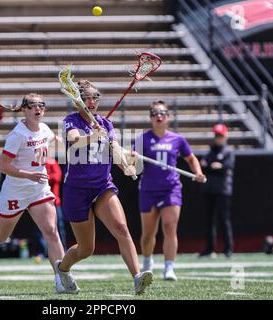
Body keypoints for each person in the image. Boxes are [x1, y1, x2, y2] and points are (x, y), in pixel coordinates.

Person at [56, 79, 153, 295]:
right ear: (78, 102)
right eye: (87, 98)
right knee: (85, 249)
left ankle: (137, 277)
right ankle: (62, 269)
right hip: (77, 190)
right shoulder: (71, 121)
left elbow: (115, 151)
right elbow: (74, 140)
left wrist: (128, 164)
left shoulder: (106, 124)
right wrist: (93, 135)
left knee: (121, 228)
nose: (92, 101)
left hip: (102, 186)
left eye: (95, 97)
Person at [0, 93, 69, 293]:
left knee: (52, 232)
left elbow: (57, 139)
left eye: (41, 105)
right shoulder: (17, 135)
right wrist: (29, 175)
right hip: (16, 191)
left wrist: (78, 137)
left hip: (39, 190)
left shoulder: (45, 129)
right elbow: (3, 166)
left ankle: (61, 280)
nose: (39, 109)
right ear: (24, 109)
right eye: (33, 105)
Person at [134, 100, 206, 281]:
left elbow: (191, 158)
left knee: (169, 227)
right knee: (148, 233)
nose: (159, 116)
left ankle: (169, 267)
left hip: (171, 189)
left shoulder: (177, 139)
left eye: (162, 113)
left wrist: (197, 172)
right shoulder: (142, 139)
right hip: (149, 190)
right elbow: (132, 165)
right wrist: (132, 157)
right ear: (150, 118)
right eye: (154, 113)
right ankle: (148, 261)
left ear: (168, 117)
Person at [199, 123, 235, 258]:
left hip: (223, 190)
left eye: (220, 135)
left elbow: (227, 166)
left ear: (225, 136)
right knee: (209, 220)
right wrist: (213, 167)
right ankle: (209, 249)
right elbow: (205, 166)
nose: (218, 138)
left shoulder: (228, 151)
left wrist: (217, 167)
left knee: (224, 219)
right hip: (209, 189)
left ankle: (228, 249)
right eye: (216, 135)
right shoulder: (210, 151)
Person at [32, 156, 67, 261]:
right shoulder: (36, 163)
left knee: (58, 227)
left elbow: (58, 177)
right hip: (39, 201)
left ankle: (62, 251)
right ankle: (41, 252)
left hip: (54, 202)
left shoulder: (52, 162)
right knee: (39, 228)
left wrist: (43, 177)